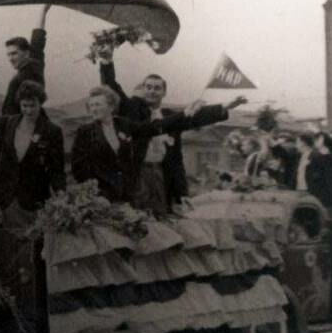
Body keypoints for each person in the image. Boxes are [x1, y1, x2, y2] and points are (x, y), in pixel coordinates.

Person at [97, 49, 246, 212]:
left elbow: (194, 118)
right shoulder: (131, 110)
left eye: (157, 88)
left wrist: (226, 106)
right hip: (137, 175)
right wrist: (106, 62)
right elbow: (111, 89)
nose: (152, 91)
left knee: (161, 217)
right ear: (143, 90)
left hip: (161, 176)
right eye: (148, 87)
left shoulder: (170, 116)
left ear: (164, 92)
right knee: (136, 218)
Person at [70, 86, 203, 207]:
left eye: (98, 104)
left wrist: (183, 114)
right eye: (91, 105)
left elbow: (152, 128)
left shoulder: (123, 124)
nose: (93, 109)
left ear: (111, 107)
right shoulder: (85, 131)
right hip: (102, 196)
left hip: (129, 193)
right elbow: (79, 168)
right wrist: (95, 194)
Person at [0, 80, 65, 229]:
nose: (28, 110)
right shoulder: (7, 123)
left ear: (40, 104)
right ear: (19, 104)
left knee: (31, 240)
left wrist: (61, 193)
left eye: (33, 106)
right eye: (24, 106)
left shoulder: (52, 131)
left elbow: (57, 169)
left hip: (33, 202)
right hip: (5, 199)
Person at [2, 5, 51, 117]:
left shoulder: (21, 78)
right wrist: (43, 11)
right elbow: (38, 38)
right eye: (8, 55)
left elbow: (9, 111)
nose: (10, 59)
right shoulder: (35, 62)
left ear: (26, 53)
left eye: (14, 53)